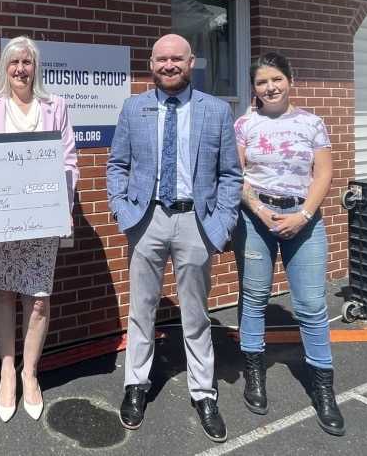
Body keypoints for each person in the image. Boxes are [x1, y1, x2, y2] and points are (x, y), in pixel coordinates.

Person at [105, 34, 242, 443]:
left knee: (196, 315)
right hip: (146, 219)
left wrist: (221, 223)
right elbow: (117, 164)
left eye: (176, 59)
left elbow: (231, 175)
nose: (169, 65)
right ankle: (135, 385)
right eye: (162, 59)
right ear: (152, 64)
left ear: (191, 62)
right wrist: (123, 211)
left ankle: (203, 393)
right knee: (141, 309)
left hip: (196, 222)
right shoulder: (135, 107)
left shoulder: (215, 111)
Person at [0, 36, 79, 422]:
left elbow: (69, 159)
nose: (20, 69)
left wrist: (65, 208)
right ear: (4, 66)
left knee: (39, 298)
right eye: (14, 62)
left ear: (36, 67)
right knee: (2, 291)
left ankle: (30, 373)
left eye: (27, 62)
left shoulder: (54, 105)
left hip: (43, 214)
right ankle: (7, 371)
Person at [233, 52, 344, 435]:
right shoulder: (244, 124)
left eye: (276, 79)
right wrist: (261, 211)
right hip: (255, 220)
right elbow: (236, 174)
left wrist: (304, 215)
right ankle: (254, 373)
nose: (270, 87)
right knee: (254, 297)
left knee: (312, 304)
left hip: (304, 218)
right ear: (254, 89)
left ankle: (324, 387)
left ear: (290, 79)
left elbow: (324, 172)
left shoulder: (311, 123)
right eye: (262, 82)